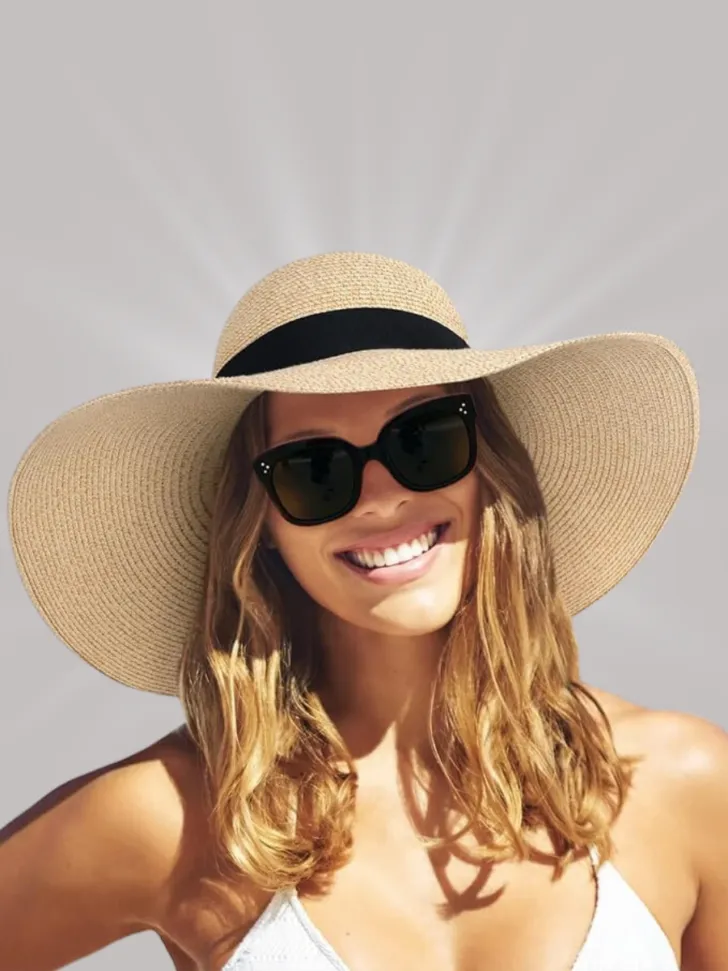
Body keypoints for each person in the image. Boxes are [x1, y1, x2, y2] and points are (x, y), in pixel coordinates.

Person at [2, 251, 726, 971]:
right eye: (315, 469)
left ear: (487, 467)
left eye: (424, 438)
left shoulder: (684, 782)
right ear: (262, 528)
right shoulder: (179, 819)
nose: (381, 496)